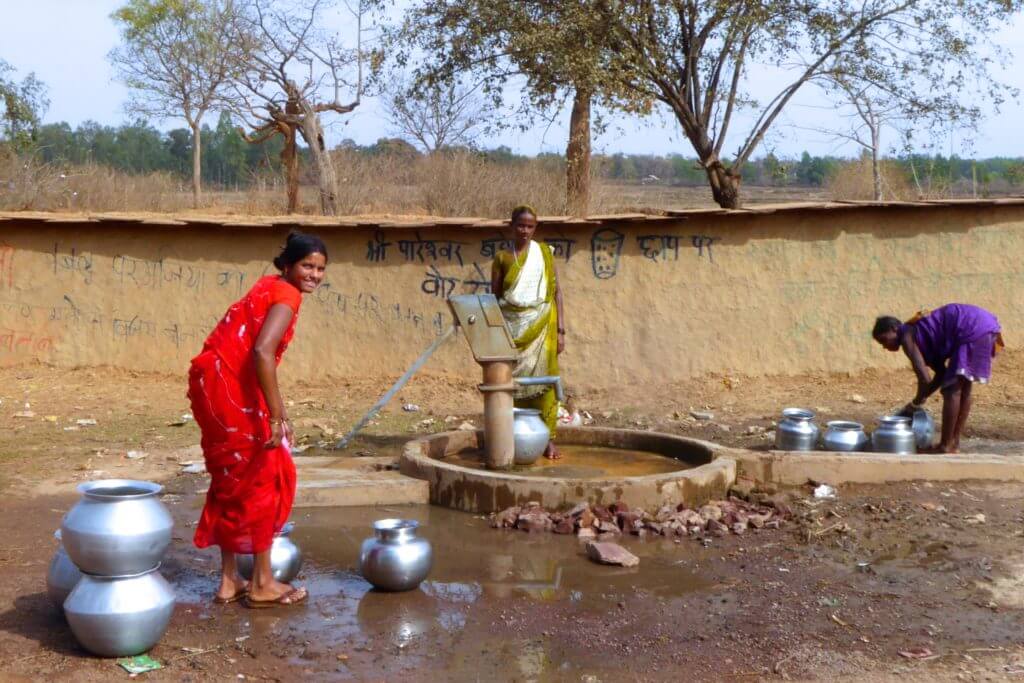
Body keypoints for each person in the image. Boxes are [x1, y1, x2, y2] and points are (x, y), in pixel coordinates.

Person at [188, 231, 327, 608]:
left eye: (319, 269)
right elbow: (262, 351)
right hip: (233, 392)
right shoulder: (287, 295)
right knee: (267, 475)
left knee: (230, 475)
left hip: (212, 386)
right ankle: (263, 582)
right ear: (288, 265)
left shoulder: (268, 286)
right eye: (306, 266)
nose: (313, 275)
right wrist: (277, 415)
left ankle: (229, 581)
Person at [872, 303, 1003, 454]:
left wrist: (916, 402)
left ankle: (945, 445)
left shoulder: (907, 336)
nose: (884, 346)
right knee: (963, 389)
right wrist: (919, 399)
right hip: (984, 327)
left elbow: (924, 378)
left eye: (883, 339)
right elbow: (940, 375)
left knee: (951, 391)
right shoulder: (922, 335)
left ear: (894, 329)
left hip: (970, 328)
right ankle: (953, 443)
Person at [491, 205, 566, 459]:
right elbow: (496, 298)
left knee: (547, 382)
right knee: (511, 383)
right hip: (513, 330)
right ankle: (510, 437)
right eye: (520, 225)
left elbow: (556, 293)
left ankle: (548, 440)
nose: (525, 230)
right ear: (512, 226)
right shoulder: (502, 258)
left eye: (530, 226)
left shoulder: (544, 254)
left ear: (535, 228)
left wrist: (562, 330)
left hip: (543, 327)